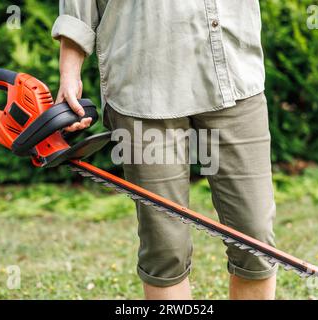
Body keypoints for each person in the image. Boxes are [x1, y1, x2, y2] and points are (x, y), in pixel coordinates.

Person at [52, 0, 277, 300]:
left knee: (256, 239)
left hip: (234, 71)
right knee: (164, 249)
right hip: (142, 81)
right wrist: (70, 71)